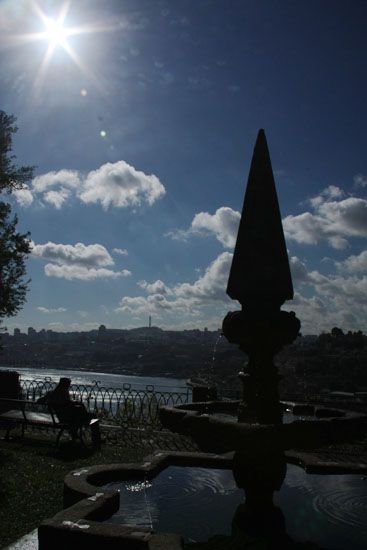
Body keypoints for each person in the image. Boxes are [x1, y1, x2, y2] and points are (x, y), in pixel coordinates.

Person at [37, 377, 101, 448]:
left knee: (81, 414)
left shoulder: (52, 394)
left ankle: (74, 435)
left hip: (62, 418)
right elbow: (69, 405)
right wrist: (78, 403)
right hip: (71, 419)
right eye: (68, 385)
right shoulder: (64, 394)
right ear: (66, 385)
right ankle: (96, 441)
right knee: (93, 417)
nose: (69, 386)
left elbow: (39, 401)